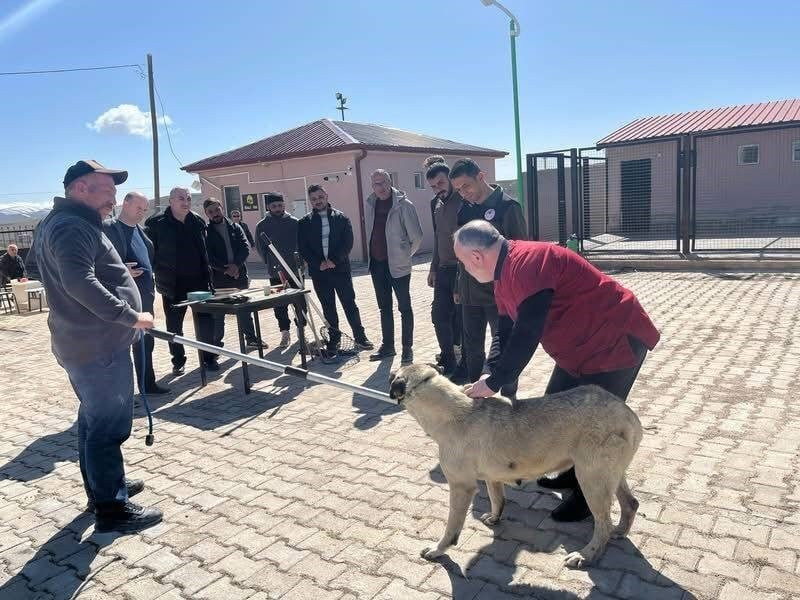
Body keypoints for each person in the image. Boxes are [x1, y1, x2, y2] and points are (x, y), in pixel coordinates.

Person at [454, 220, 660, 522]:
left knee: (594, 428)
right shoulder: (502, 277)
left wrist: (497, 381)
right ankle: (569, 472)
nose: (466, 271)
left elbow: (527, 333)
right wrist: (488, 372)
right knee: (554, 412)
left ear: (475, 258)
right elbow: (505, 332)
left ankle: (587, 500)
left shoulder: (529, 263)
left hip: (615, 339)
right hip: (579, 349)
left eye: (462, 263)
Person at [32, 159, 162, 532]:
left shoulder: (64, 223)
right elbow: (79, 283)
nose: (113, 199)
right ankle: (111, 508)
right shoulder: (71, 226)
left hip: (88, 343)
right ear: (80, 188)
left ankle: (104, 487)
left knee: (93, 420)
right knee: (108, 425)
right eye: (107, 191)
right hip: (98, 346)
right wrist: (131, 316)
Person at [449, 158, 526, 397]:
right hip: (470, 293)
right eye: (458, 190)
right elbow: (461, 253)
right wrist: (457, 285)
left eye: (466, 186)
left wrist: (515, 293)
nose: (463, 193)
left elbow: (519, 253)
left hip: (499, 295)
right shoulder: (465, 209)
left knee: (504, 346)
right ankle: (477, 395)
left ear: (480, 177)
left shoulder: (508, 207)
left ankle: (509, 397)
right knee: (472, 348)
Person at [145, 187, 218, 374]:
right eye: (180, 198)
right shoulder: (156, 224)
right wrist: (158, 272)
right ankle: (178, 360)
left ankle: (209, 358)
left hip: (200, 283)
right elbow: (148, 254)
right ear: (170, 201)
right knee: (174, 325)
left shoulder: (197, 221)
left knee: (205, 322)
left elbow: (205, 251)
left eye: (187, 198)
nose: (186, 202)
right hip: (173, 284)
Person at [103, 192, 169, 395]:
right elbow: (97, 264)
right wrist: (123, 271)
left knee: (145, 343)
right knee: (121, 347)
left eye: (144, 209)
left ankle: (147, 384)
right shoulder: (108, 229)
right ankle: (121, 393)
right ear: (125, 204)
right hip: (121, 302)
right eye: (138, 207)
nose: (141, 212)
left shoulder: (142, 232)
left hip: (144, 299)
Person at [297, 184, 373, 357]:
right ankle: (334, 339)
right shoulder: (304, 223)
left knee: (349, 304)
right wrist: (318, 263)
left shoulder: (341, 218)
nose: (318, 201)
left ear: (326, 196)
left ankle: (360, 337)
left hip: (340, 270)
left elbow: (347, 242)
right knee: (328, 306)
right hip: (320, 273)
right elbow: (303, 248)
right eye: (314, 199)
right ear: (310, 201)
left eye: (320, 197)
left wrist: (334, 260)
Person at [364, 169, 423, 364]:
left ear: (390, 182)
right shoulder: (371, 204)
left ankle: (407, 348)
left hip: (398, 267)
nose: (378, 187)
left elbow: (416, 237)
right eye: (375, 184)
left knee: (404, 308)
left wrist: (404, 255)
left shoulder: (404, 205)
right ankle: (388, 346)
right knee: (384, 308)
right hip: (377, 265)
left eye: (382, 183)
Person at [203, 198, 265, 350]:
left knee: (244, 309)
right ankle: (216, 345)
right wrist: (226, 269)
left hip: (239, 276)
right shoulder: (206, 232)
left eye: (217, 210)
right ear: (206, 214)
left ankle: (251, 339)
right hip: (219, 279)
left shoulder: (235, 227)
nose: (215, 214)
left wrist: (236, 266)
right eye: (211, 212)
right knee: (219, 314)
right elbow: (208, 256)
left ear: (222, 208)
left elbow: (245, 247)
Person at [424, 156, 464, 375]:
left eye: (440, 183)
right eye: (432, 186)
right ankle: (448, 360)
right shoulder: (435, 204)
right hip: (443, 269)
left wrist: (460, 280)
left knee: (461, 318)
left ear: (449, 178)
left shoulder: (464, 201)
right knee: (439, 316)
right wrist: (432, 268)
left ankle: (465, 362)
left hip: (463, 270)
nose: (437, 189)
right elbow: (439, 237)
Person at [255, 192, 299, 348]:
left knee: (299, 302)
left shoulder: (294, 223)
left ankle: (302, 330)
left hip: (294, 271)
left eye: (280, 205)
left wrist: (301, 262)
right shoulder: (262, 225)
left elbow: (300, 244)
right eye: (274, 206)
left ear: (284, 205)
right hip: (276, 273)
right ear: (269, 207)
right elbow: (261, 249)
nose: (277, 208)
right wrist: (271, 262)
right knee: (279, 305)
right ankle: (285, 333)